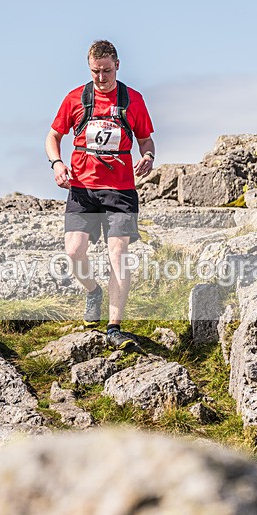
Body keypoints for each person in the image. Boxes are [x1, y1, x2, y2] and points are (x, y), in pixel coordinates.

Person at [45, 40, 156, 350]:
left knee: (118, 255)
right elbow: (53, 136)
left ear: (117, 66)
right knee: (73, 251)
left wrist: (147, 158)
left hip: (120, 192)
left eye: (107, 71)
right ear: (89, 68)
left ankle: (114, 326)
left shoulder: (133, 100)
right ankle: (93, 291)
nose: (102, 77)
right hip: (82, 189)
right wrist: (57, 164)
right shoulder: (76, 99)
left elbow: (147, 142)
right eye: (96, 72)